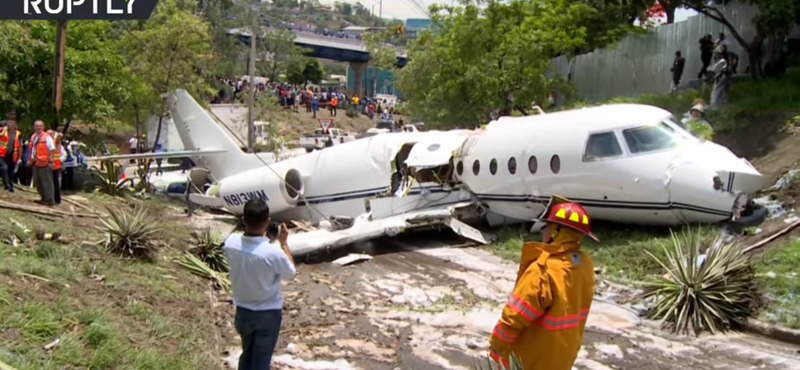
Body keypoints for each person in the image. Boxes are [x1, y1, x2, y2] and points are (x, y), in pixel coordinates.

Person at [488, 195, 596, 370]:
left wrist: (496, 346)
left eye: (546, 227)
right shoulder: (585, 264)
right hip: (562, 358)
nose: (542, 232)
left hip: (532, 360)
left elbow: (514, 317)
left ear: (556, 232)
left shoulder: (543, 271)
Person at [224, 199, 296, 370]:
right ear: (267, 221)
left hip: (242, 312)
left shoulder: (230, 243)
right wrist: (283, 243)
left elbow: (249, 246)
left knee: (247, 354)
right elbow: (291, 272)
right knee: (261, 361)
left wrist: (263, 237)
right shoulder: (273, 253)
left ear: (243, 219)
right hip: (267, 314)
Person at [28, 120, 56, 205]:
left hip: (45, 163)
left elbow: (52, 150)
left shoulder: (47, 137)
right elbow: (32, 149)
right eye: (36, 126)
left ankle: (50, 200)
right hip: (36, 162)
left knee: (47, 182)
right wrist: (30, 160)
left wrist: (51, 162)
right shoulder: (33, 136)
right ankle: (43, 198)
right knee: (37, 182)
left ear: (43, 127)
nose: (38, 128)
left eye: (40, 126)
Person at [0, 115, 22, 192]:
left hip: (12, 155)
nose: (11, 125)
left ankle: (10, 185)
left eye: (12, 123)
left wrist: (19, 158)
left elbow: (20, 146)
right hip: (2, 154)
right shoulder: (2, 130)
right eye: (9, 123)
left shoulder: (18, 134)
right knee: (4, 168)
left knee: (10, 171)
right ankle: (7, 185)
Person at [47, 130, 63, 204]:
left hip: (55, 165)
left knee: (55, 183)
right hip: (48, 165)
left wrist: (58, 135)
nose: (49, 135)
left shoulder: (55, 141)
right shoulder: (46, 142)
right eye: (48, 134)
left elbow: (59, 136)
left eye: (51, 134)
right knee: (49, 183)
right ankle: (50, 197)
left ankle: (57, 199)